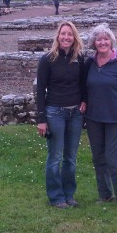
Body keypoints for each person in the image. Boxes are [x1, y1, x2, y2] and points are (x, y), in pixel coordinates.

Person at [83, 23, 117, 211]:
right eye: (99, 39)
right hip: (94, 118)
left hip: (115, 119)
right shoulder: (89, 63)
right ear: (94, 43)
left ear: (111, 41)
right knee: (98, 158)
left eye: (105, 39)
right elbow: (83, 87)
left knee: (114, 161)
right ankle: (104, 195)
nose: (102, 42)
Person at [36, 21, 86, 209]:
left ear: (74, 37)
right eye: (63, 34)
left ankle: (69, 194)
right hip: (54, 112)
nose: (66, 37)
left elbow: (83, 84)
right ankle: (56, 197)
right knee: (55, 156)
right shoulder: (47, 60)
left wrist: (85, 101)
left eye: (70, 34)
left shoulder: (79, 58)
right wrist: (41, 119)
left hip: (75, 113)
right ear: (58, 36)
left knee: (70, 158)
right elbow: (40, 90)